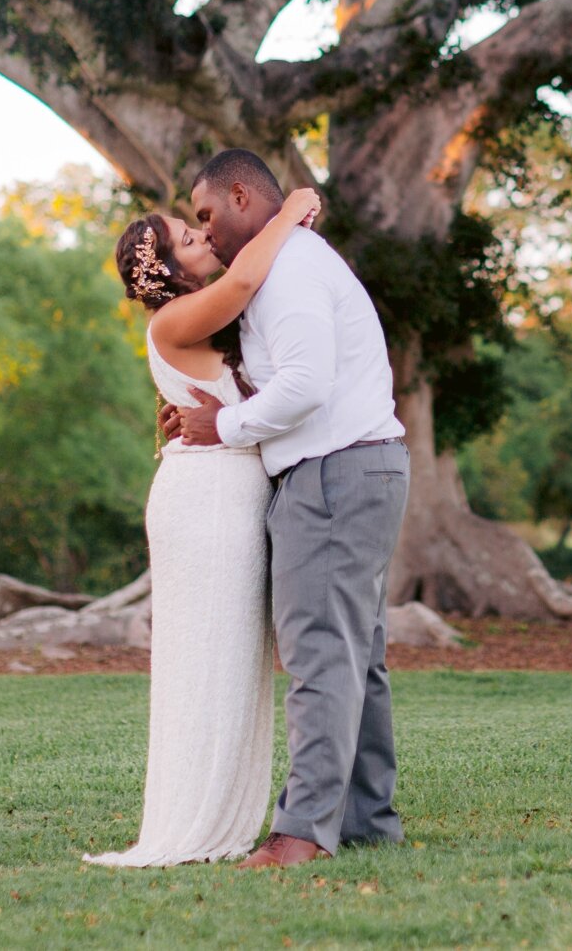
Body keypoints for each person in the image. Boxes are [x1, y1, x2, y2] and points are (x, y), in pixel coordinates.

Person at [162, 149, 410, 871]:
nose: (204, 234)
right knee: (355, 658)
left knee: (321, 657)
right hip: (353, 467)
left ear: (243, 196)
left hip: (333, 473)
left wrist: (224, 427)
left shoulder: (290, 266)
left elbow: (304, 383)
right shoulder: (287, 262)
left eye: (206, 215)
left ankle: (300, 833)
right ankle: (366, 820)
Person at [81, 182, 322, 868]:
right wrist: (290, 209)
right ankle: (195, 820)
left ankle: (224, 812)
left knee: (235, 661)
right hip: (208, 501)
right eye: (188, 239)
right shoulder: (174, 320)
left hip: (230, 491)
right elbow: (248, 273)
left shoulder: (202, 323)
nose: (203, 237)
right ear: (167, 270)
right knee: (207, 659)